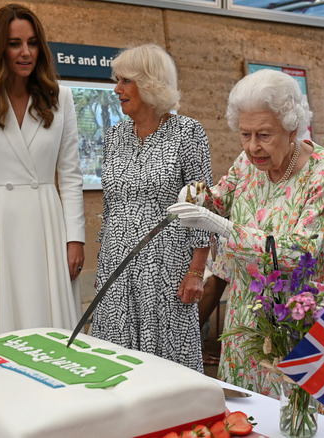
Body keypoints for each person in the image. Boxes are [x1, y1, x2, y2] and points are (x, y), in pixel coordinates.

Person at [168, 69, 324, 397]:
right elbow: (220, 197)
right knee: (244, 411)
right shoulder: (249, 162)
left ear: (292, 128)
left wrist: (223, 228)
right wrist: (193, 194)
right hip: (245, 312)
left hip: (297, 316)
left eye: (264, 135)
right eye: (244, 134)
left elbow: (299, 251)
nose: (252, 147)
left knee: (293, 416)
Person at [0, 4, 85, 340]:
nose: (26, 52)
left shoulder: (60, 98)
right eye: (14, 43)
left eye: (33, 43)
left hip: (47, 223)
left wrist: (75, 238)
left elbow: (70, 175)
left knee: (48, 317)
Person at [90, 44, 213, 373]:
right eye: (118, 81)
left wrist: (197, 271)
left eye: (125, 81)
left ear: (150, 83)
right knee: (115, 363)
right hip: (117, 267)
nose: (117, 89)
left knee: (165, 366)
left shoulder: (187, 133)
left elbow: (200, 205)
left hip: (166, 269)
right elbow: (111, 203)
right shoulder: (114, 136)